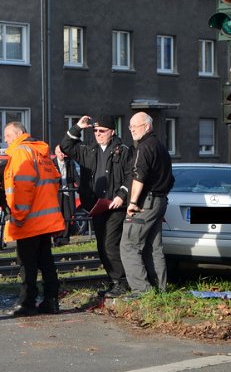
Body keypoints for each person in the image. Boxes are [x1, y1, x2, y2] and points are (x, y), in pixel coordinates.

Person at [60, 115, 133, 296]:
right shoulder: (88, 150)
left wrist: (122, 195)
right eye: (95, 131)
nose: (98, 134)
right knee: (101, 245)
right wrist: (78, 127)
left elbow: (131, 175)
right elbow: (65, 147)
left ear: (112, 132)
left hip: (116, 206)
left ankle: (121, 282)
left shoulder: (123, 150)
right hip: (96, 205)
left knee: (110, 243)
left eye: (102, 131)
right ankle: (114, 280)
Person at [2, 122, 65, 316]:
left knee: (27, 264)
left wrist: (19, 215)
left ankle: (27, 303)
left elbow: (23, 185)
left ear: (19, 133)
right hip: (45, 219)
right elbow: (56, 180)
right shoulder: (41, 151)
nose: (5, 139)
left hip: (29, 219)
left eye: (8, 135)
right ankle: (51, 301)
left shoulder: (21, 152)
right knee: (46, 261)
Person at [121, 112, 174, 297]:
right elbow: (171, 179)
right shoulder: (161, 148)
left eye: (135, 126)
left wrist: (133, 202)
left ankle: (142, 291)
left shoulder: (143, 147)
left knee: (129, 245)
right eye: (130, 127)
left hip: (145, 202)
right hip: (160, 201)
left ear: (147, 126)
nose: (131, 130)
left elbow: (139, 176)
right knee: (153, 246)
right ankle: (160, 290)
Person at [52, 144, 78, 247]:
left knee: (68, 215)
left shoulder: (69, 162)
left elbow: (75, 175)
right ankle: (57, 238)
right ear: (55, 153)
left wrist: (80, 186)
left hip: (67, 192)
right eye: (59, 152)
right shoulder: (52, 163)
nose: (62, 154)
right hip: (57, 193)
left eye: (63, 152)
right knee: (58, 216)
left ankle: (65, 238)